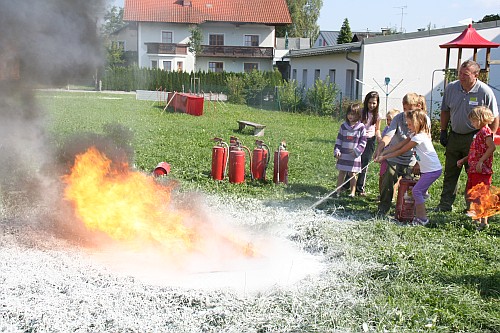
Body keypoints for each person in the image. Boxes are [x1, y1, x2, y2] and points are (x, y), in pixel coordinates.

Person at [436, 60, 499, 212]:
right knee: (451, 170)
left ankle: (472, 206)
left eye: (465, 75)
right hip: (455, 135)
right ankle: (445, 204)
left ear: (476, 75)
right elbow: (445, 110)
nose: (461, 77)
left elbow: (495, 116)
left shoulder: (484, 91)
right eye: (459, 73)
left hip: (475, 137)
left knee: (473, 173)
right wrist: (443, 131)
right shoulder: (452, 88)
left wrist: (489, 136)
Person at [375, 109, 442, 225]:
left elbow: (401, 150)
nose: (408, 126)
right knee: (419, 192)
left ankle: (422, 219)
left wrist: (384, 157)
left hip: (432, 171)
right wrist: (383, 152)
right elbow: (399, 145)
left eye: (410, 124)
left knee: (416, 191)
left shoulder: (419, 137)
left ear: (418, 123)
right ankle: (418, 209)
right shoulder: (414, 134)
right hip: (427, 170)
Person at [374, 93, 424, 215]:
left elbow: (424, 144)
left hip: (412, 160)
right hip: (395, 159)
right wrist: (380, 148)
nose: (407, 113)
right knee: (388, 177)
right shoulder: (398, 118)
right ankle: (384, 207)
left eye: (410, 109)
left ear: (418, 106)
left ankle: (408, 211)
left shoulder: (423, 120)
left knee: (412, 186)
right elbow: (388, 136)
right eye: (405, 109)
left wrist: (419, 163)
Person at [457, 106, 496, 230]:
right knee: (474, 194)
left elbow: (492, 147)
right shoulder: (478, 133)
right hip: (474, 169)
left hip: (482, 170)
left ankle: (484, 222)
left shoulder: (485, 132)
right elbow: (475, 151)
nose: (471, 123)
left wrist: (481, 161)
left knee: (482, 195)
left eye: (473, 121)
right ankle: (477, 218)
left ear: (481, 119)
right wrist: (464, 159)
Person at [333, 103, 367, 197]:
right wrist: (337, 151)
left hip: (354, 156)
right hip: (343, 154)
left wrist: (357, 151)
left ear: (358, 115)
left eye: (353, 114)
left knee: (353, 173)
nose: (350, 116)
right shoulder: (343, 126)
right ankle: (338, 190)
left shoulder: (361, 127)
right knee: (342, 172)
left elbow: (363, 141)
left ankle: (352, 191)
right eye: (349, 113)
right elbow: (339, 140)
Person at [355, 91, 381, 196]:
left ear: (377, 104)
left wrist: (379, 137)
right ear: (366, 102)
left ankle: (360, 188)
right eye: (370, 103)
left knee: (364, 163)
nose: (371, 105)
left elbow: (377, 129)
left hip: (370, 140)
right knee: (354, 161)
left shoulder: (377, 116)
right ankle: (347, 185)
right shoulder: (360, 112)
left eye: (374, 103)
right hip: (358, 139)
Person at [379, 109, 401, 197]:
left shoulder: (399, 132)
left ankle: (392, 195)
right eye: (387, 120)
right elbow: (384, 140)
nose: (388, 122)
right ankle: (381, 194)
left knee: (393, 178)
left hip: (394, 158)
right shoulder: (386, 129)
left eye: (391, 120)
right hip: (384, 157)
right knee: (382, 175)